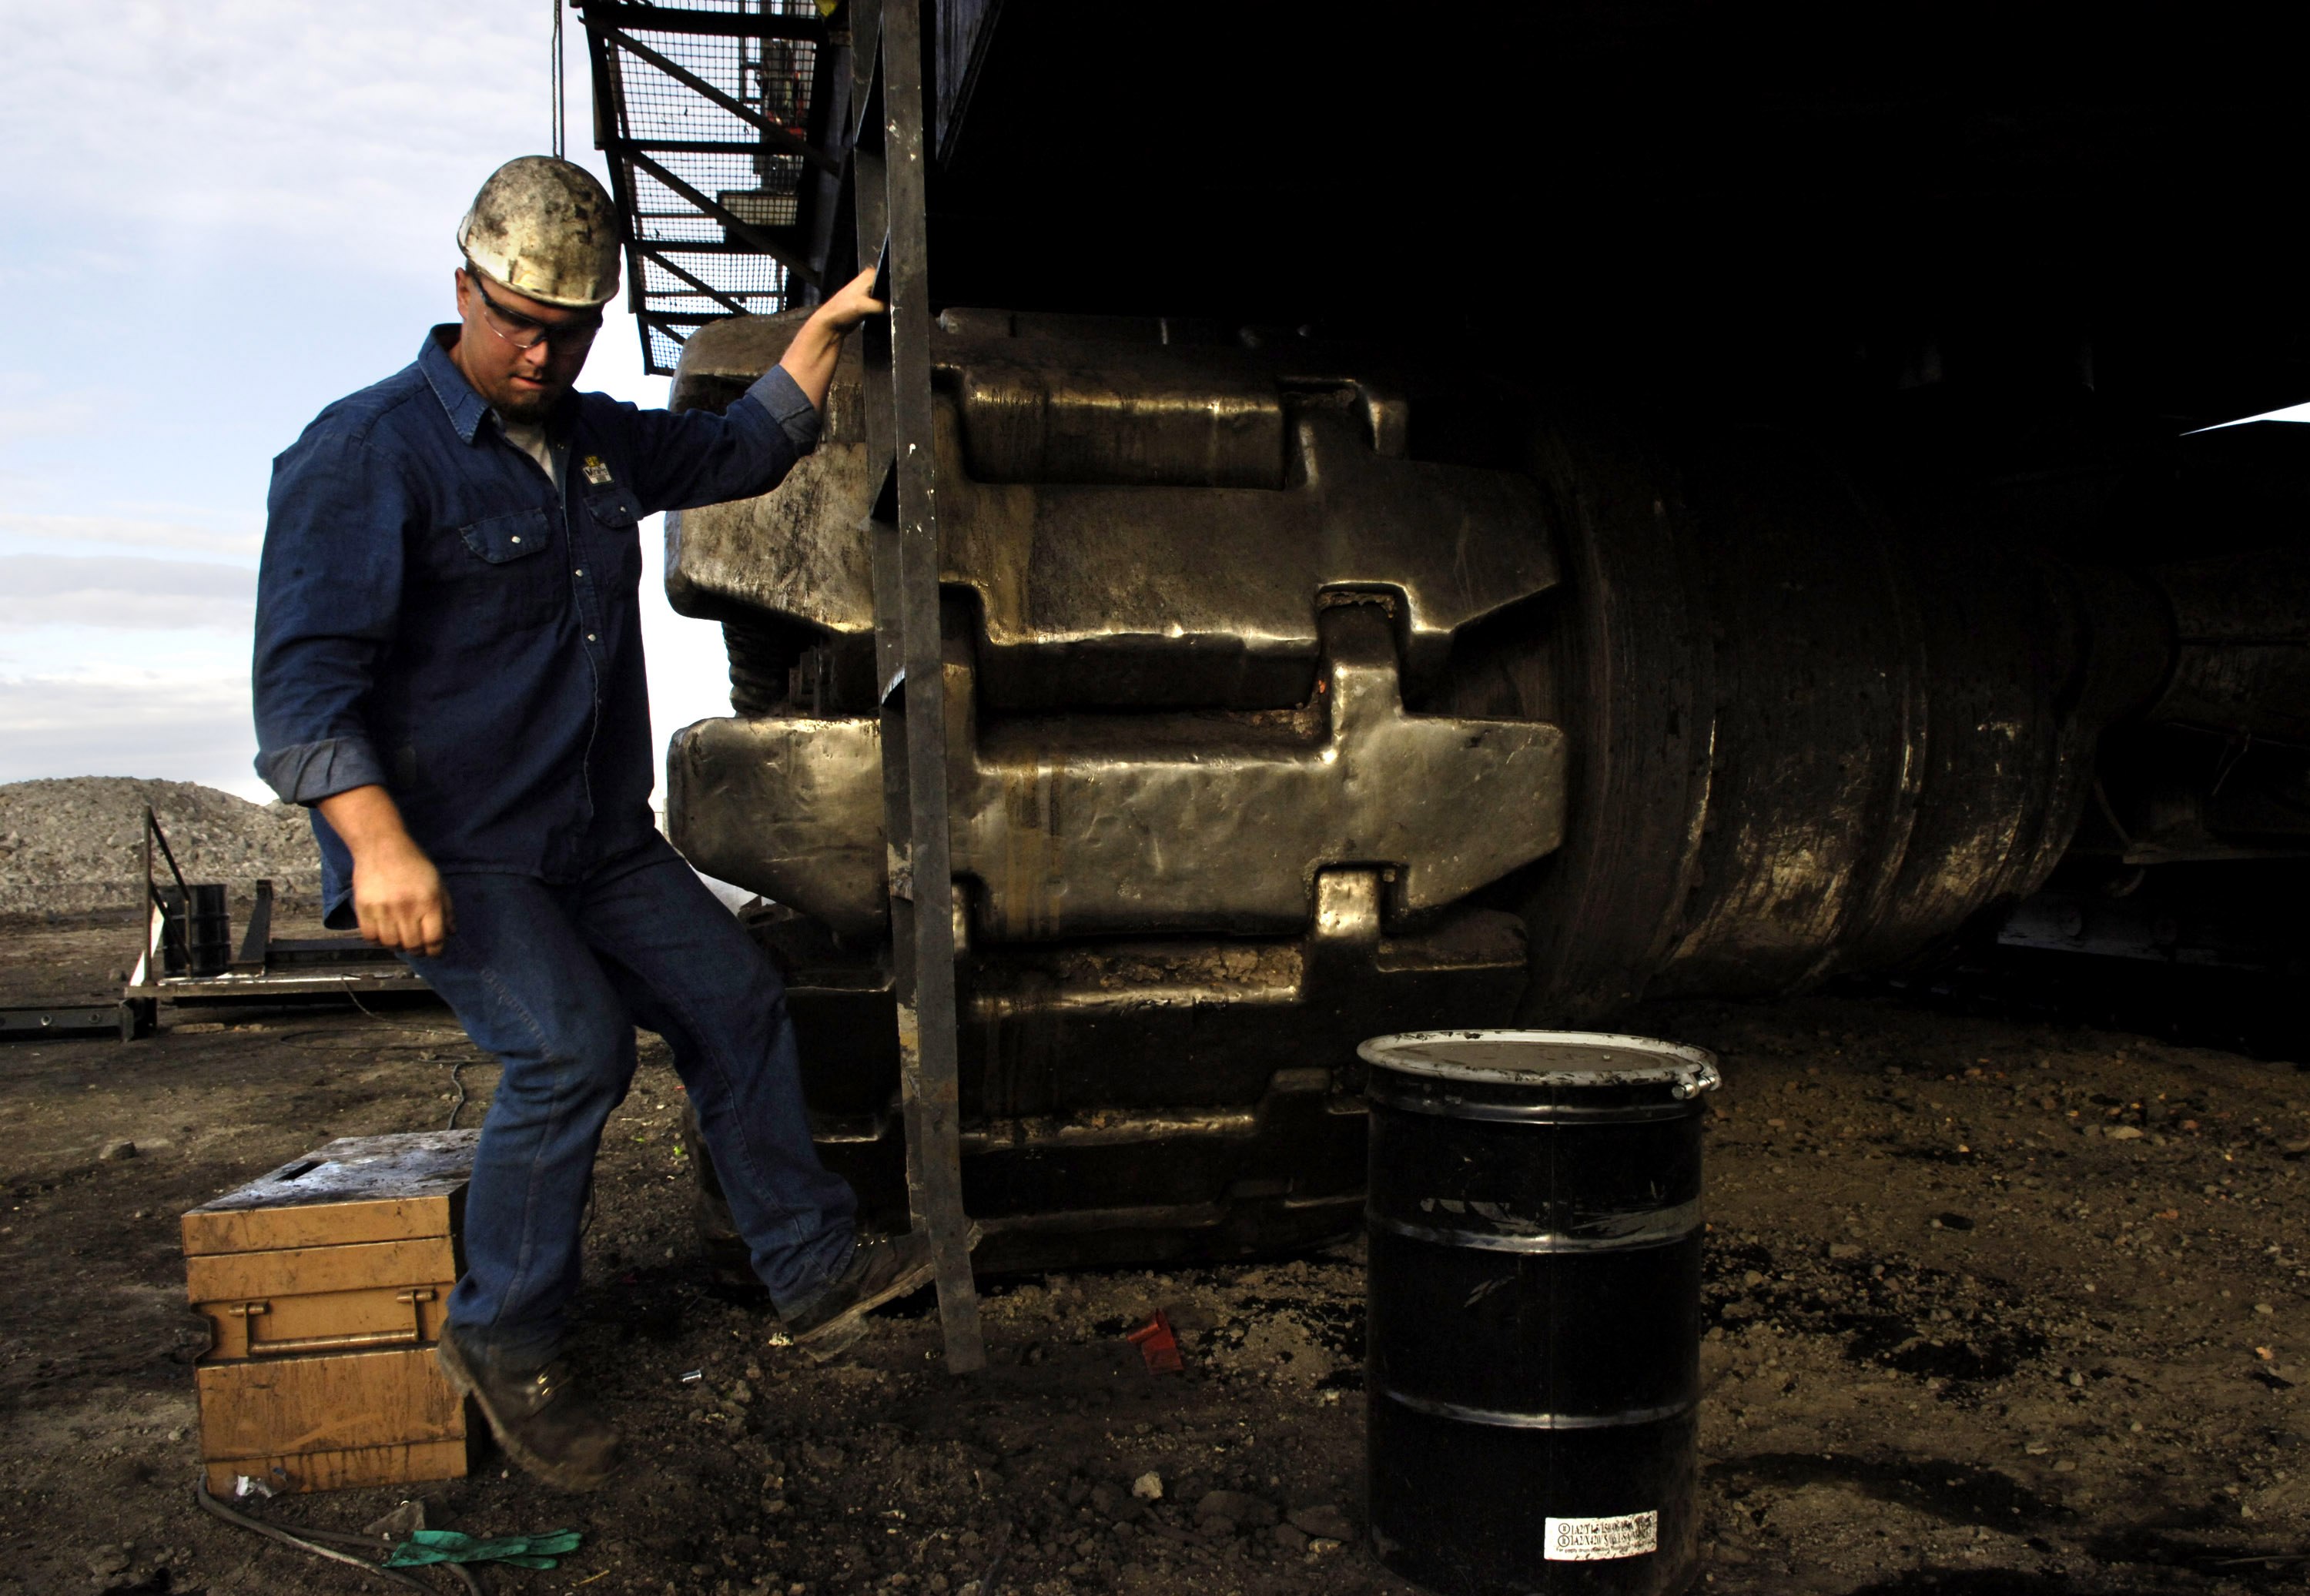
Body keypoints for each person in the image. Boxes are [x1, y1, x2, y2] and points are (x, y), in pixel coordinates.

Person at [252, 156, 925, 1491]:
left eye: (567, 329)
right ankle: (503, 1336)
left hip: (592, 838)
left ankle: (809, 1266)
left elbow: (745, 447)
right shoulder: (362, 451)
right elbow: (305, 682)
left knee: (735, 994)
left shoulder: (600, 441)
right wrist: (376, 844)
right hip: (456, 852)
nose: (537, 349)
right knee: (570, 1052)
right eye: (515, 319)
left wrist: (822, 337)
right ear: (463, 288)